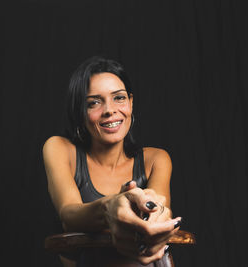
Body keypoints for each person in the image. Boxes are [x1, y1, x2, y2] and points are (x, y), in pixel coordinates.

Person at [43, 56, 182, 266]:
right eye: (94, 103)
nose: (109, 110)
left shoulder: (156, 159)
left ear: (131, 103)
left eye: (119, 98)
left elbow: (159, 212)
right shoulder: (60, 149)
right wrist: (110, 207)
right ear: (80, 112)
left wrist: (160, 214)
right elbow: (68, 214)